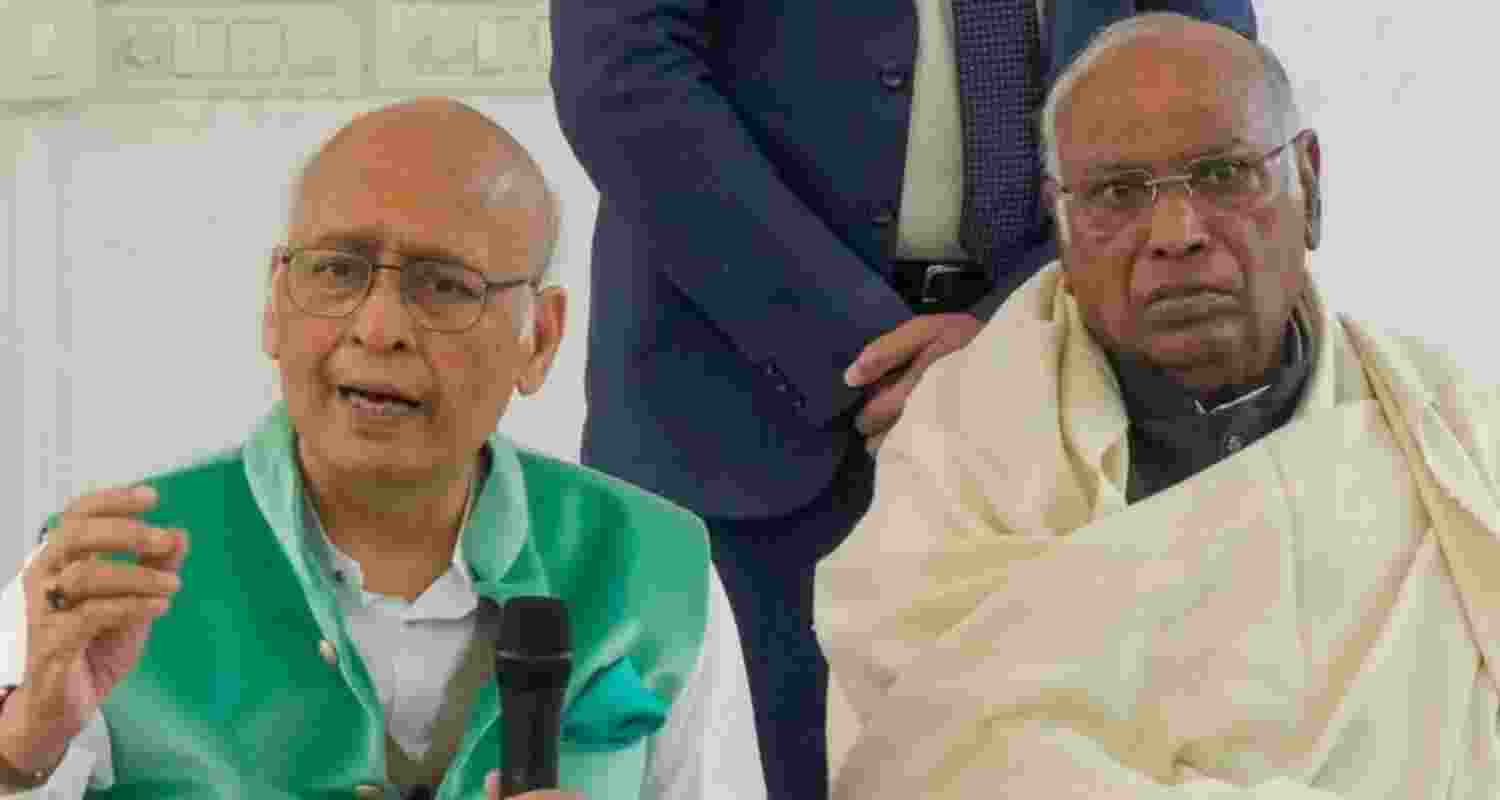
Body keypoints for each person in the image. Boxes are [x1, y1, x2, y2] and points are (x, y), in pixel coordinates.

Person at [549, 1, 1257, 796]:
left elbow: (1213, 72)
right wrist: (857, 347)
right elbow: (619, 68)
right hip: (733, 403)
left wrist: (1007, 331)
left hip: (1069, 390)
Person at [815, 12, 1500, 798]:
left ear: (1308, 186)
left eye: (1223, 174)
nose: (1177, 234)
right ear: (1062, 224)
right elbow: (925, 756)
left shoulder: (1455, 439)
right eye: (1117, 192)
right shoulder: (960, 459)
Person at [0, 98, 765, 800]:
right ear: (276, 304)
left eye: (444, 286)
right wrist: (23, 749)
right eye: (337, 271)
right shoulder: (102, 576)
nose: (377, 327)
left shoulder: (656, 570)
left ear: (543, 337)